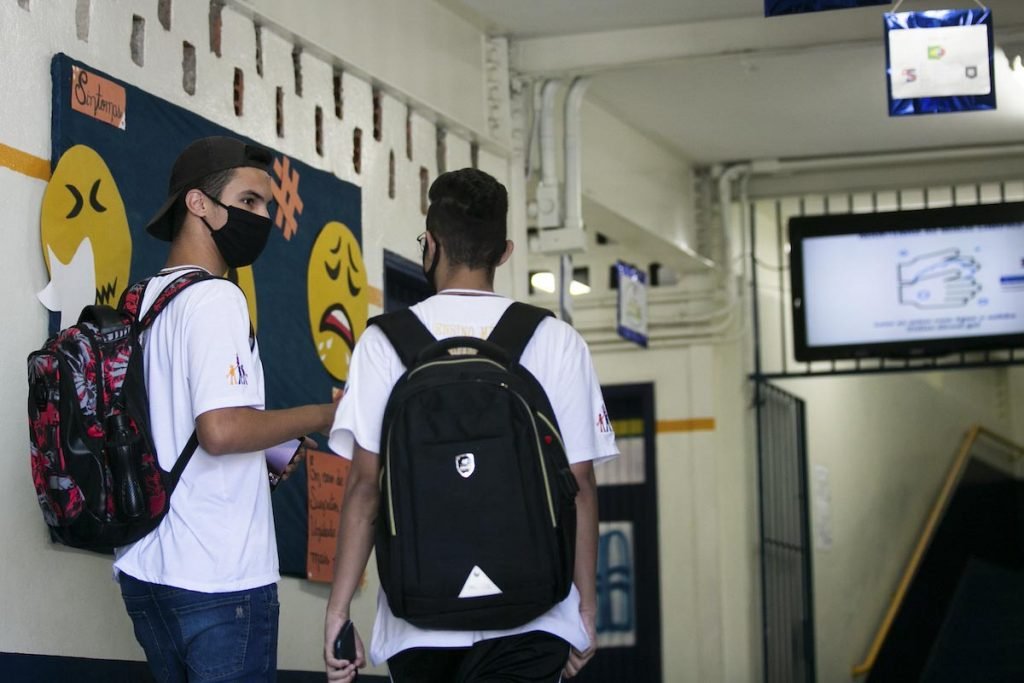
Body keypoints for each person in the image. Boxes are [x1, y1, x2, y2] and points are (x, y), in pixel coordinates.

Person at [323, 168, 618, 682]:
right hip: (534, 615)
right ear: (504, 253)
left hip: (420, 617)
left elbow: (365, 489)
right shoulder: (554, 340)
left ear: (430, 245)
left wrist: (338, 610)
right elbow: (581, 486)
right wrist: (584, 612)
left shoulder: (383, 343)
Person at [114, 136, 338, 681]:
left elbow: (176, 427)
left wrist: (264, 451)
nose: (262, 217)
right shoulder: (216, 298)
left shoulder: (143, 299)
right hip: (219, 575)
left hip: (147, 567)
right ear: (198, 204)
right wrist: (328, 415)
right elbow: (219, 429)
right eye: (249, 202)